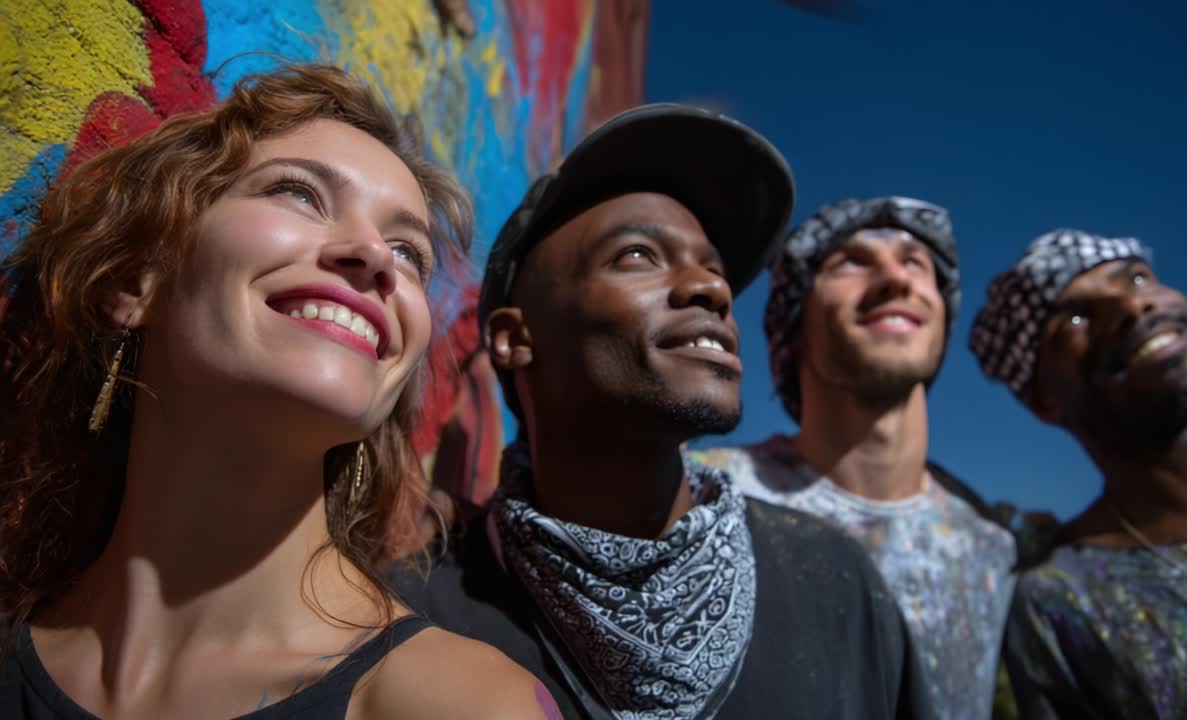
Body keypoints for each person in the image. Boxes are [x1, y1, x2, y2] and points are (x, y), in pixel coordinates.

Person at [0, 65, 556, 719]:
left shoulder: (460, 704)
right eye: (298, 193)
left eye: (409, 252)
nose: (376, 257)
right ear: (137, 281)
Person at [393, 105, 932, 719]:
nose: (712, 290)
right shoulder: (417, 614)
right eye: (638, 256)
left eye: (715, 269)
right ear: (516, 339)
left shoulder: (833, 581)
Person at [693, 197, 1017, 718]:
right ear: (795, 324)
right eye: (851, 261)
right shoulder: (700, 498)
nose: (895, 279)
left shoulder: (992, 550)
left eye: (916, 262)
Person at [970, 229, 1187, 718]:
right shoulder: (1062, 604)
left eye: (1137, 278)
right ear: (1042, 400)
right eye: (1075, 316)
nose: (1133, 308)